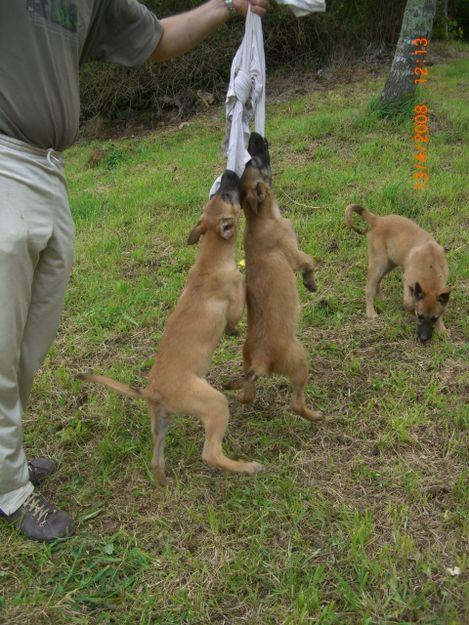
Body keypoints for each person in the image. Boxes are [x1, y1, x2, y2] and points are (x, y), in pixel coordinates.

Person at [0, 0, 268, 542]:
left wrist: (225, 5)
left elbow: (154, 39)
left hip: (48, 171)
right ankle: (10, 491)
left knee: (27, 346)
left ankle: (6, 460)